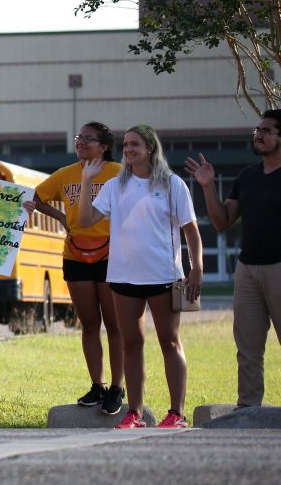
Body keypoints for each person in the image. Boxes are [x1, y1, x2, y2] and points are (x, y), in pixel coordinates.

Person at [77, 124, 203, 429]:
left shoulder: (172, 185)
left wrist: (196, 267)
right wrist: (85, 181)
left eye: (136, 144)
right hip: (123, 277)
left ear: (150, 148)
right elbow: (84, 221)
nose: (129, 150)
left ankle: (176, 413)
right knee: (130, 344)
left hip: (163, 276)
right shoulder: (114, 185)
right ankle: (134, 412)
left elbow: (191, 230)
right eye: (126, 146)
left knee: (169, 342)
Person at [22, 122, 125, 415]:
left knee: (114, 324)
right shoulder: (67, 174)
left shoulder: (117, 173)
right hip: (75, 255)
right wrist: (60, 217)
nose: (81, 143)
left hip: (111, 256)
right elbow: (36, 197)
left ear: (104, 146)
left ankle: (117, 387)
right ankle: (98, 384)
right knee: (89, 324)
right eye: (79, 138)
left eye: (88, 139)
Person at [184, 109, 281, 408]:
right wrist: (208, 186)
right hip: (248, 268)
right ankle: (248, 410)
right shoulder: (247, 176)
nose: (259, 135)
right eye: (257, 129)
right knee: (248, 348)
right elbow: (223, 221)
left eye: (267, 130)